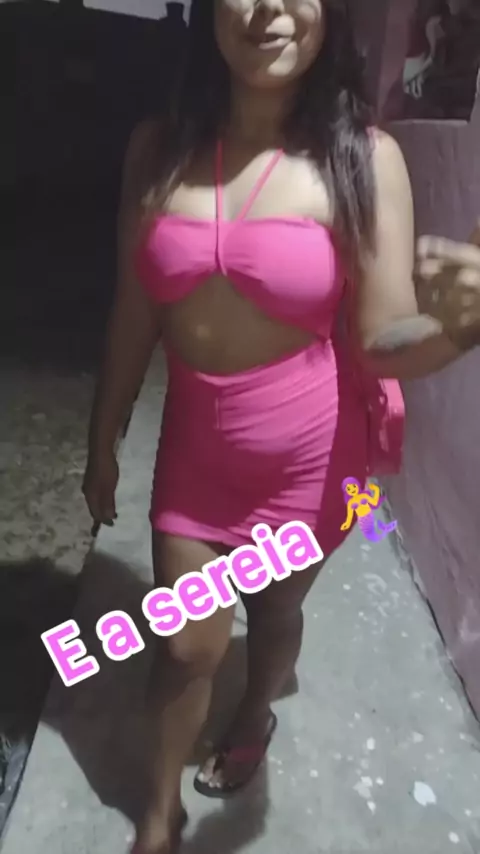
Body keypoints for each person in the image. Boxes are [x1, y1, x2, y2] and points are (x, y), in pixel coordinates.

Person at [82, 2, 480, 852]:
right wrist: (101, 440)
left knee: (273, 610)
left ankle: (254, 712)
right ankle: (158, 818)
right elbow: (132, 312)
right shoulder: (158, 148)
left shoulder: (363, 158)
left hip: (311, 458)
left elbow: (382, 339)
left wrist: (456, 328)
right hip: (196, 454)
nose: (270, 9)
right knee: (186, 646)